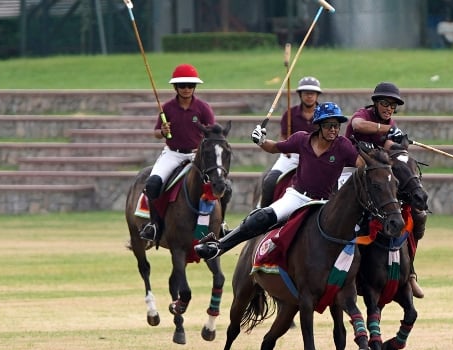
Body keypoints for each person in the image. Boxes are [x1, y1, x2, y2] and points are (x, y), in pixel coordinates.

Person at [195, 102, 363, 261]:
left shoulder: (344, 145)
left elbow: (361, 164)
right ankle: (219, 246)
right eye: (329, 125)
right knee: (261, 217)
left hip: (323, 203)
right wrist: (261, 141)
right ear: (319, 125)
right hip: (297, 197)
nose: (334, 130)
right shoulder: (301, 139)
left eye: (336, 125)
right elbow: (274, 147)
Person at [343, 82, 427, 299]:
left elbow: (390, 148)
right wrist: (388, 129)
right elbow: (358, 125)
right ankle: (341, 272)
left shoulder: (391, 123)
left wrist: (401, 143)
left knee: (412, 214)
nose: (389, 108)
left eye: (393, 106)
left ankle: (410, 274)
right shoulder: (363, 115)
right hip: (351, 172)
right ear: (375, 103)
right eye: (385, 103)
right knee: (342, 217)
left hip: (377, 179)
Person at [139, 63, 217, 242]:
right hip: (173, 154)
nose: (187, 89)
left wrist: (208, 132)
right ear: (175, 87)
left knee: (222, 186)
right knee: (152, 184)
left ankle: (220, 224)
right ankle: (154, 225)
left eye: (190, 85)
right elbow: (156, 133)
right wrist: (164, 131)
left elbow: (213, 131)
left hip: (196, 155)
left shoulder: (203, 108)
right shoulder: (166, 108)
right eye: (182, 85)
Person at [259, 76, 322, 207]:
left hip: (317, 157)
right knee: (270, 181)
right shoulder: (290, 114)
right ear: (300, 95)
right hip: (292, 155)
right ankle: (261, 211)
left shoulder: (324, 114)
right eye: (306, 93)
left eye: (312, 93)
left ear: (317, 95)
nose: (309, 96)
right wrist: (285, 146)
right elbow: (283, 136)